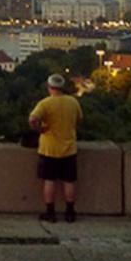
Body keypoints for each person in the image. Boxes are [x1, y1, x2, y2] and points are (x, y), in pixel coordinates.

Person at [29, 74, 83, 223]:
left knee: (49, 181)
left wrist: (40, 129)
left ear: (49, 87)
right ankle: (70, 212)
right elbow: (79, 120)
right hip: (69, 148)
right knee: (69, 181)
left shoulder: (45, 104)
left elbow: (33, 119)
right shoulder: (73, 102)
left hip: (49, 149)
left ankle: (50, 213)